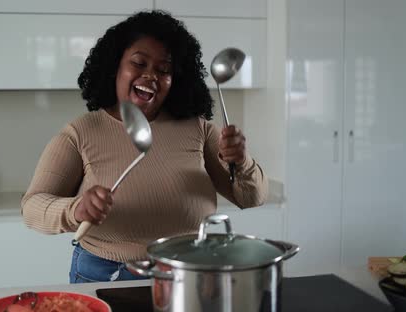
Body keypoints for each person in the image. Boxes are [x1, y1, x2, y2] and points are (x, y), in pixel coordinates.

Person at [21, 10, 268, 284]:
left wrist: (242, 161)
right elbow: (32, 207)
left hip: (188, 273)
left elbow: (251, 198)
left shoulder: (198, 129)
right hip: (105, 275)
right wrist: (76, 209)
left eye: (164, 70)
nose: (151, 75)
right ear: (115, 66)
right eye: (139, 63)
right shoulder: (81, 133)